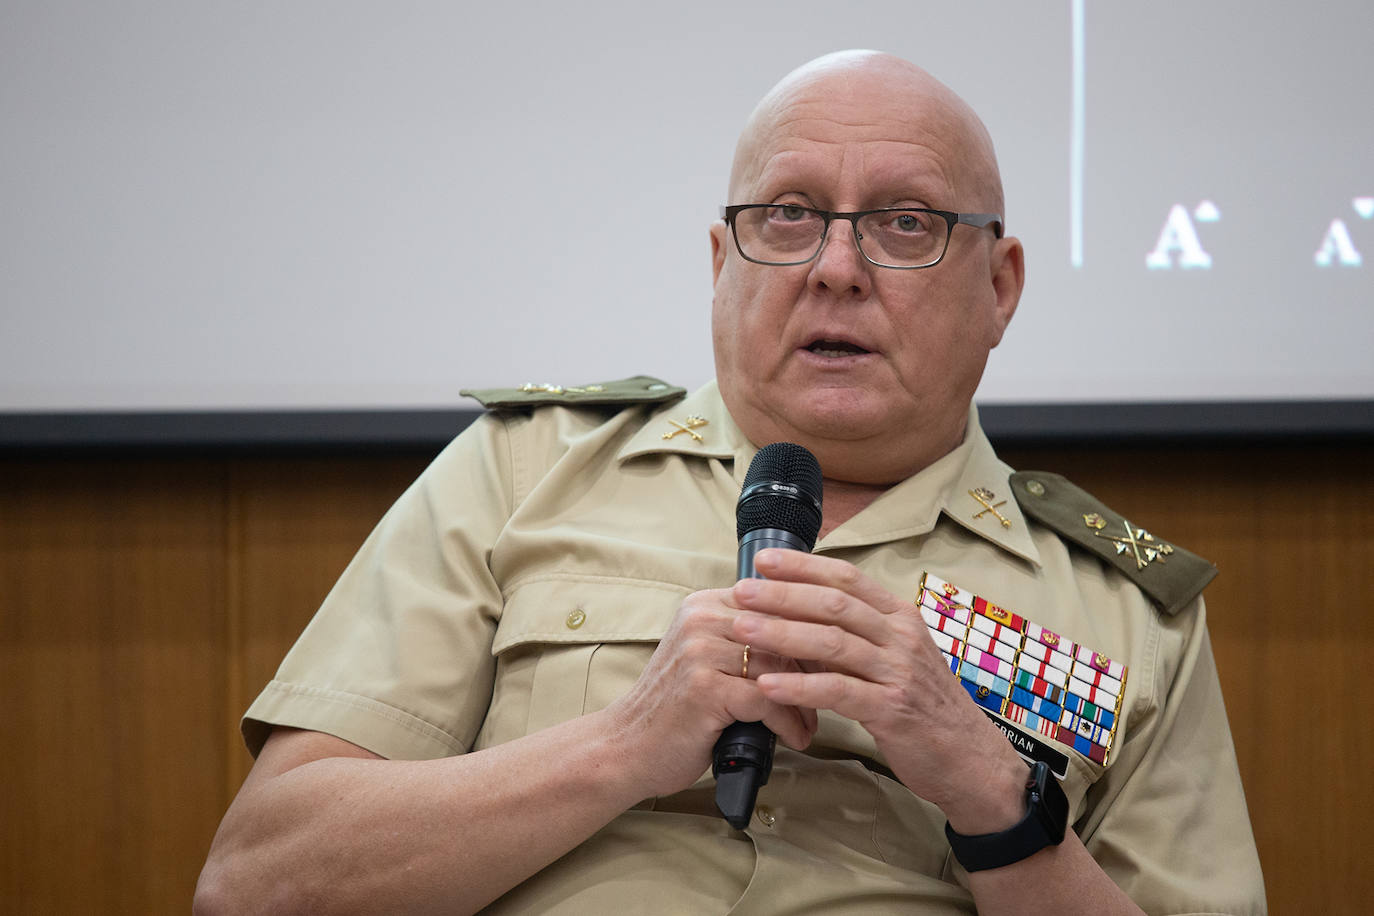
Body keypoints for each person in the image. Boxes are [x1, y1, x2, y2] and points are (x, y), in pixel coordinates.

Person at [195, 51, 1265, 914]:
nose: (835, 267)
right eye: (789, 214)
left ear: (1000, 285)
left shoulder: (1129, 611)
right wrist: (623, 745)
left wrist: (995, 796)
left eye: (905, 223)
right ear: (721, 262)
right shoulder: (526, 469)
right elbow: (257, 886)